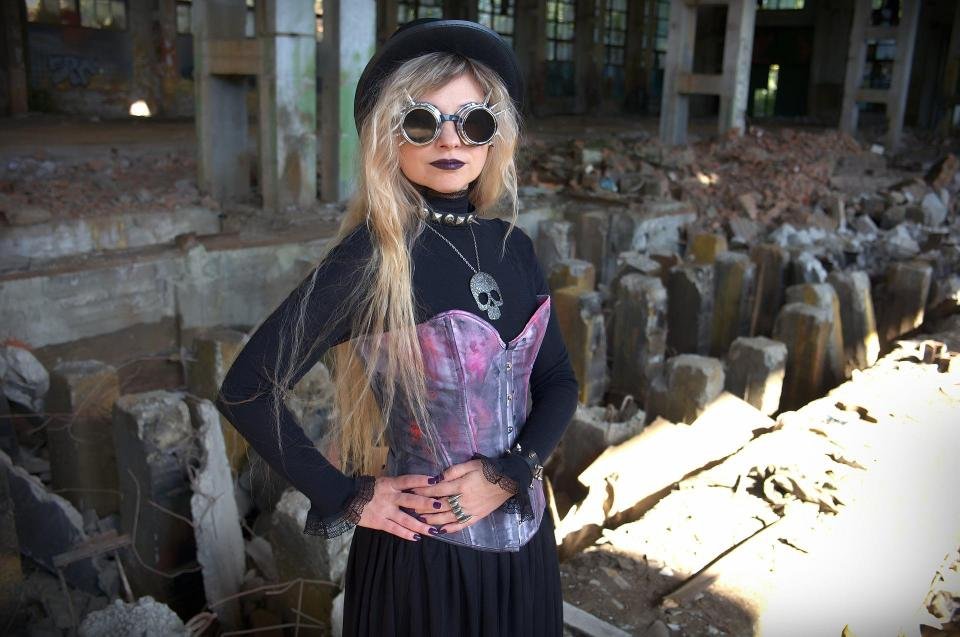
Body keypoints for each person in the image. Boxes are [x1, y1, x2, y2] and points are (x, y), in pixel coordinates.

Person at [215, 18, 579, 637]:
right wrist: (350, 495)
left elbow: (559, 383)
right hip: (424, 562)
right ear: (391, 135)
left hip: (527, 542)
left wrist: (513, 474)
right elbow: (247, 388)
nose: (450, 138)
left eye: (474, 120)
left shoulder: (514, 247)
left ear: (496, 137)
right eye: (421, 120)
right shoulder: (372, 259)